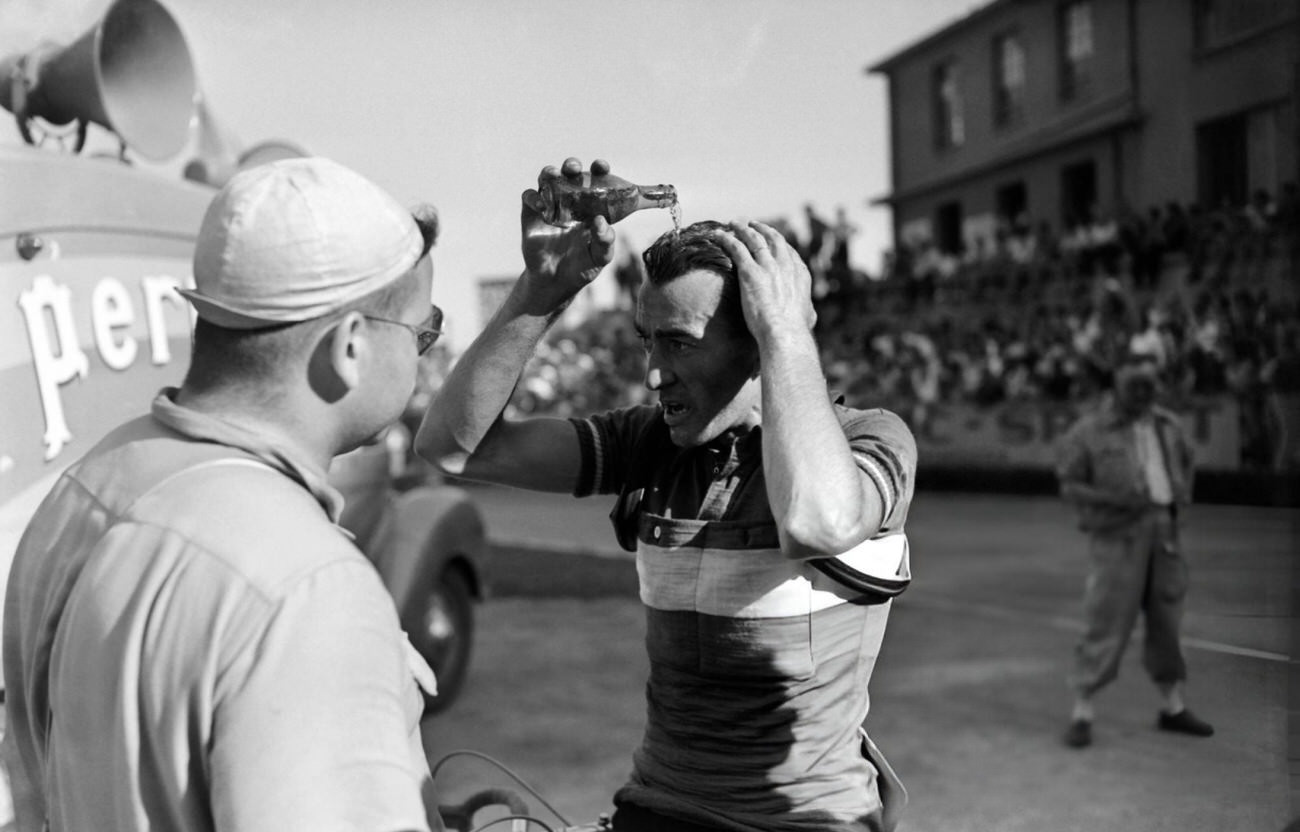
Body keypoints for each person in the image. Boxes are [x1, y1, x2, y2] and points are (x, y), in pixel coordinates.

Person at [417, 157, 917, 832]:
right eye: (648, 342)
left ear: (758, 343)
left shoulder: (870, 438)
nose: (653, 375)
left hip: (806, 819)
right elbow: (455, 445)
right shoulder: (652, 443)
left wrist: (789, 334)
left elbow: (817, 521)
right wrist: (542, 291)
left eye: (679, 344)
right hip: (659, 810)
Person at [3, 157, 446, 831]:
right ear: (349, 346)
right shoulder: (306, 586)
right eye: (422, 332)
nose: (426, 357)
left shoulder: (94, 479)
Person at [1056, 350, 1214, 749]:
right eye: (1134, 385)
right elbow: (1070, 484)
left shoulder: (1168, 425)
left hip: (1164, 530)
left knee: (1168, 620)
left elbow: (1187, 463)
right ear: (1117, 387)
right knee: (1105, 618)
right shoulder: (1089, 431)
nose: (1143, 392)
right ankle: (1082, 710)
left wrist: (1180, 500)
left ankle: (1173, 707)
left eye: (1149, 384)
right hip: (1117, 533)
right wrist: (1112, 502)